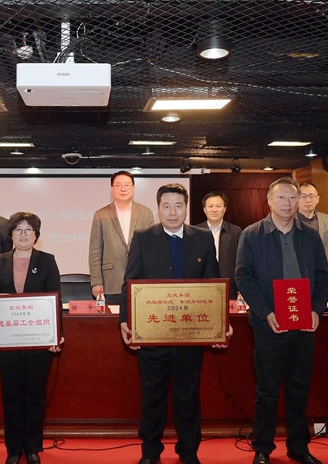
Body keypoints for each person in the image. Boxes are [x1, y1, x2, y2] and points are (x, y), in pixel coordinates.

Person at [120, 183, 231, 464]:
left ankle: (189, 452)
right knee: (152, 396)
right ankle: (150, 452)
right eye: (166, 206)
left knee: (188, 397)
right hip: (152, 333)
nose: (173, 212)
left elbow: (213, 285)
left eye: (178, 205)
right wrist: (125, 320)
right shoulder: (143, 238)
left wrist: (222, 322)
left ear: (186, 208)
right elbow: (130, 282)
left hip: (190, 336)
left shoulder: (203, 238)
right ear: (158, 208)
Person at [234, 177, 328, 464]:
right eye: (281, 197)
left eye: (292, 197)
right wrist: (266, 312)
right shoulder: (252, 234)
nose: (287, 203)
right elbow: (243, 276)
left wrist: (316, 310)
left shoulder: (310, 235)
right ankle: (262, 448)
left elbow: (322, 275)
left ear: (299, 200)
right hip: (269, 325)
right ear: (269, 201)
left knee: (299, 389)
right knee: (267, 390)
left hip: (305, 325)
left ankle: (298, 447)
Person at [0, 212, 63, 464]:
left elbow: (55, 300)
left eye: (28, 230)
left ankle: (33, 446)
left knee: (35, 395)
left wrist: (57, 336)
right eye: (18, 230)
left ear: (36, 235)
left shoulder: (47, 261)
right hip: (7, 342)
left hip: (38, 341)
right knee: (12, 395)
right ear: (11, 235)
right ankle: (13, 448)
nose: (23, 234)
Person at [89, 171, 154, 304]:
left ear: (133, 188)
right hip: (111, 283)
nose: (123, 189)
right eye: (118, 185)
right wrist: (96, 282)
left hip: (139, 281)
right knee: (111, 317)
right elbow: (95, 252)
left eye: (127, 185)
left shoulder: (146, 213)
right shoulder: (101, 215)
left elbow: (151, 250)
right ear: (112, 189)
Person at [297, 183, 328, 294]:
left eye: (311, 196)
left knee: (320, 303)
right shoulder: (289, 220)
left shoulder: (327, 220)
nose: (308, 200)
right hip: (296, 274)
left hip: (320, 274)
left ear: (317, 199)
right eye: (303, 196)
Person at [195, 191, 242, 299]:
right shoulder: (195, 232)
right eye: (210, 206)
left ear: (224, 209)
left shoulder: (236, 232)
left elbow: (241, 262)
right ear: (204, 209)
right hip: (201, 289)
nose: (214, 210)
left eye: (218, 206)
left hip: (229, 289)